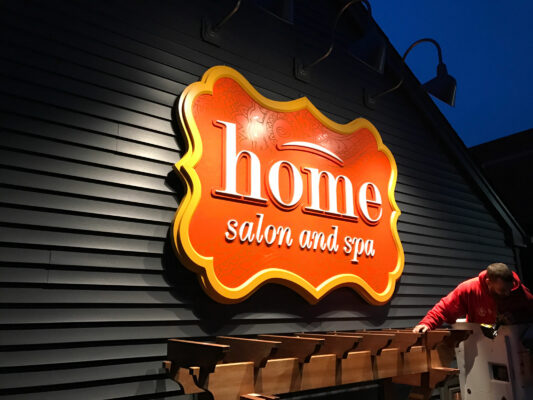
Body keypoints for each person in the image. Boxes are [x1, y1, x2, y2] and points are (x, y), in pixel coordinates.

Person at [413, 263, 533, 333]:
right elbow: (445, 307)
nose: (507, 293)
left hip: (512, 340)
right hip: (480, 339)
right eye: (502, 290)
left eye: (509, 289)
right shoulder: (469, 289)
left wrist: (516, 318)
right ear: (488, 282)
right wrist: (427, 324)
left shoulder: (520, 291)